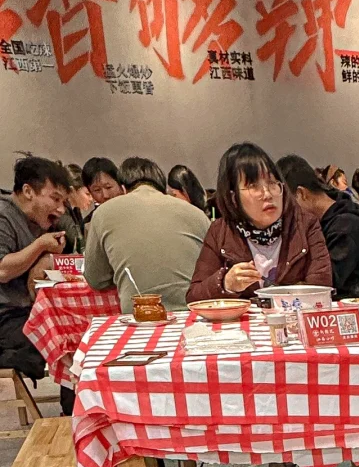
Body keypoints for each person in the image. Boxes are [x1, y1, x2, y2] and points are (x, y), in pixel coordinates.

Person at [187, 142, 331, 302]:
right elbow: (194, 297)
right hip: (241, 326)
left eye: (272, 183)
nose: (267, 194)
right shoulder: (220, 232)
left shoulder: (304, 225)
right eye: (253, 186)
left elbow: (321, 289)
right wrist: (225, 283)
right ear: (234, 198)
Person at [84, 156, 209, 314]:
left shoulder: (102, 213)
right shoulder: (197, 214)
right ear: (163, 187)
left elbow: (96, 279)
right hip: (193, 314)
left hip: (139, 317)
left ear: (123, 188)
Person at [0, 155, 69, 382]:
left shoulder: (40, 222)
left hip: (29, 311)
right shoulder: (4, 216)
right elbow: (2, 271)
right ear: (28, 191)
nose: (60, 209)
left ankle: (71, 407)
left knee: (72, 332)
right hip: (6, 316)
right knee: (53, 340)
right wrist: (40, 245)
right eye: (55, 199)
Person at [277, 154, 359, 299]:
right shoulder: (328, 220)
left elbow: (322, 285)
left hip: (350, 312)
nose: (286, 213)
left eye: (287, 204)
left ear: (301, 194)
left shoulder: (345, 226)